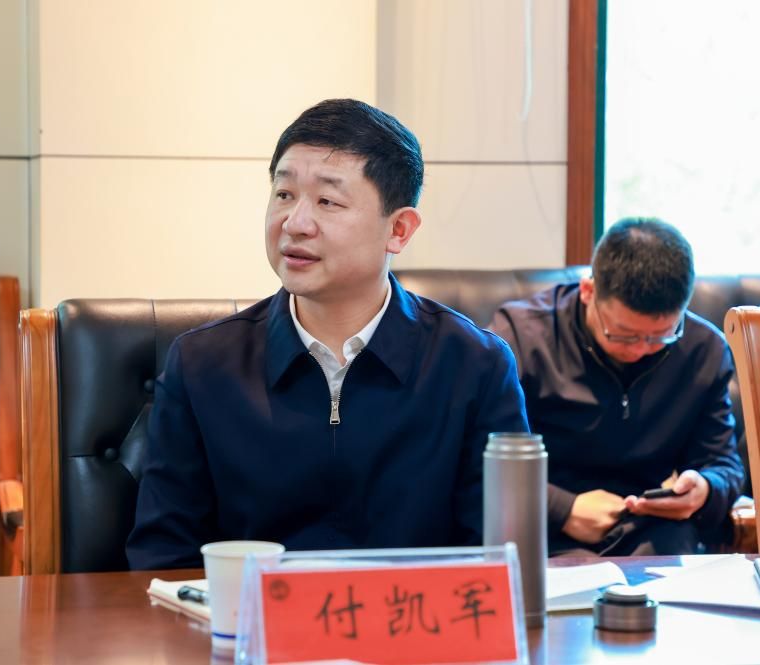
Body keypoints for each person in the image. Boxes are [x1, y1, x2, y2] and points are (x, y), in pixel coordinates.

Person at [127, 99, 529, 569]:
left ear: (399, 229)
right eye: (284, 194)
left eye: (327, 201)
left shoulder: (474, 365)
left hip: (414, 616)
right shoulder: (202, 364)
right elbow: (163, 559)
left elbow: (501, 563)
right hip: (249, 617)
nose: (295, 223)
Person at [489, 218, 744, 556]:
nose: (640, 350)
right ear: (588, 291)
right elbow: (481, 460)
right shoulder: (520, 339)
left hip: (650, 530)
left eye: (660, 337)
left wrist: (706, 488)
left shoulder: (703, 350)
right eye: (623, 335)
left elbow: (723, 462)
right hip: (542, 528)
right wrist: (561, 508)